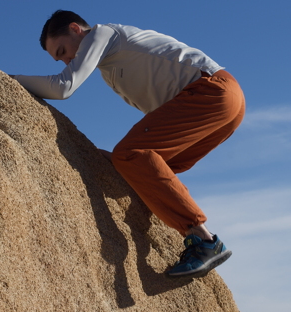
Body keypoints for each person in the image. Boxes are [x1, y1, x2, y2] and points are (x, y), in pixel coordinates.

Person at [13, 10, 244, 277]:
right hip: (227, 104)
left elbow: (64, 87)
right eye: (60, 58)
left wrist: (11, 80)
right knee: (148, 169)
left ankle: (202, 239)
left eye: (62, 50)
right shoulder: (111, 69)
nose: (65, 60)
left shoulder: (103, 34)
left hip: (212, 91)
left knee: (130, 154)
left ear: (76, 29)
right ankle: (189, 236)